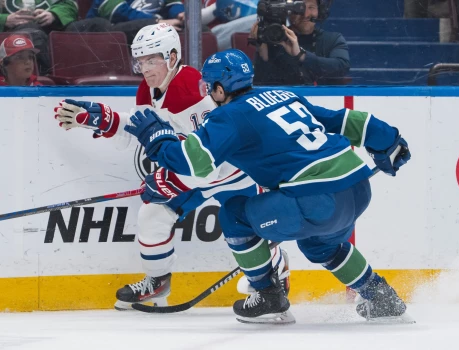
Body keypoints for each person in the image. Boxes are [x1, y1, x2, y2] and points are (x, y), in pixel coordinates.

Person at [124, 48, 411, 324]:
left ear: (221, 89)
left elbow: (195, 163)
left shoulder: (228, 116)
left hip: (315, 199)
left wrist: (155, 136)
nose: (208, 94)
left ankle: (267, 295)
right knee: (321, 246)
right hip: (357, 188)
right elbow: (344, 120)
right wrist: (388, 142)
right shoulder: (283, 94)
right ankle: (381, 297)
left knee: (234, 214)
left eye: (210, 87)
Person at [54, 24, 290, 310]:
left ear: (172, 56)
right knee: (153, 214)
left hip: (234, 170)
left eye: (152, 60)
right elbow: (141, 129)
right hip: (199, 172)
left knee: (250, 230)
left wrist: (170, 179)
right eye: (140, 61)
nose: (145, 68)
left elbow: (209, 158)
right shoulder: (148, 89)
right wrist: (102, 120)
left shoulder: (192, 87)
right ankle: (157, 282)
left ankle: (276, 274)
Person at [251, 0, 350, 85]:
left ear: (320, 11)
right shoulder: (274, 40)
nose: (306, 15)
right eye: (299, 8)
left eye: (311, 7)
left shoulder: (333, 39)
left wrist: (301, 55)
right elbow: (260, 85)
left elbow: (342, 68)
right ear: (288, 12)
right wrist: (262, 54)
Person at [0, 0, 78, 74]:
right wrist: (4, 19)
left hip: (47, 29)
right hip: (9, 33)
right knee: (32, 31)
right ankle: (42, 79)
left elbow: (69, 4)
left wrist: (53, 14)